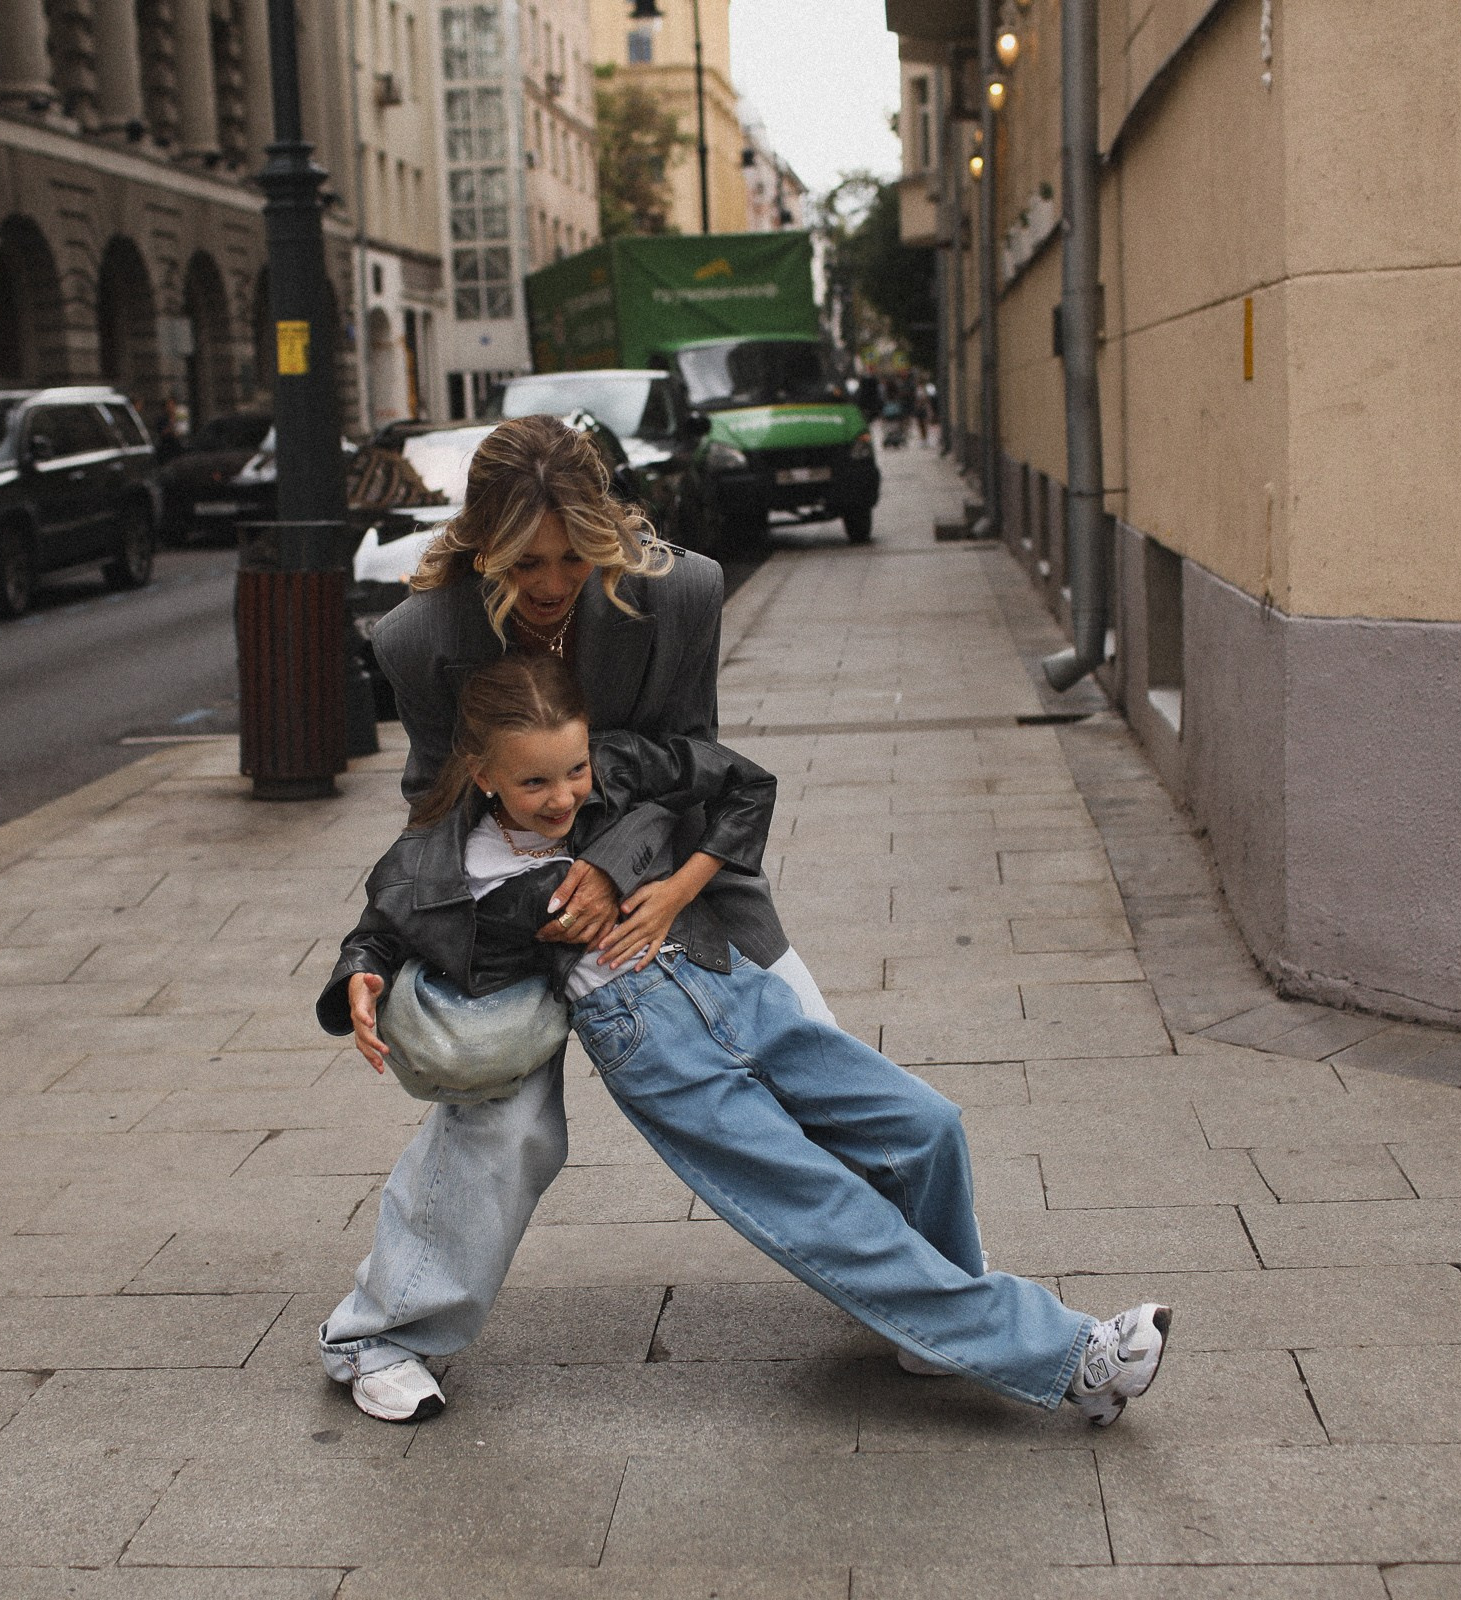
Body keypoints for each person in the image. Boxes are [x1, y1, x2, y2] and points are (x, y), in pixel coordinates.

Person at [319, 656, 1173, 1424]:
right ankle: (1075, 1358)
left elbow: (742, 785)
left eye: (574, 769)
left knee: (926, 1126)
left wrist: (670, 886)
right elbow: (381, 929)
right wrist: (362, 975)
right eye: (535, 781)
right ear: (481, 773)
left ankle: (935, 1330)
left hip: (729, 978)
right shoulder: (441, 859)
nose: (565, 794)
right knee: (823, 1208)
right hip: (650, 1044)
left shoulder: (615, 768)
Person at [315, 414, 838, 1419]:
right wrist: (371, 951)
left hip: (662, 875)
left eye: (570, 555)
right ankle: (377, 1335)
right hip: (507, 902)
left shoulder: (680, 591)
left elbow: (696, 765)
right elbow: (433, 818)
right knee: (503, 1118)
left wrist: (610, 864)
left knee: (804, 1050)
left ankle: (930, 1282)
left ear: (606, 528)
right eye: (523, 560)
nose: (550, 583)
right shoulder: (422, 637)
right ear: (481, 543)